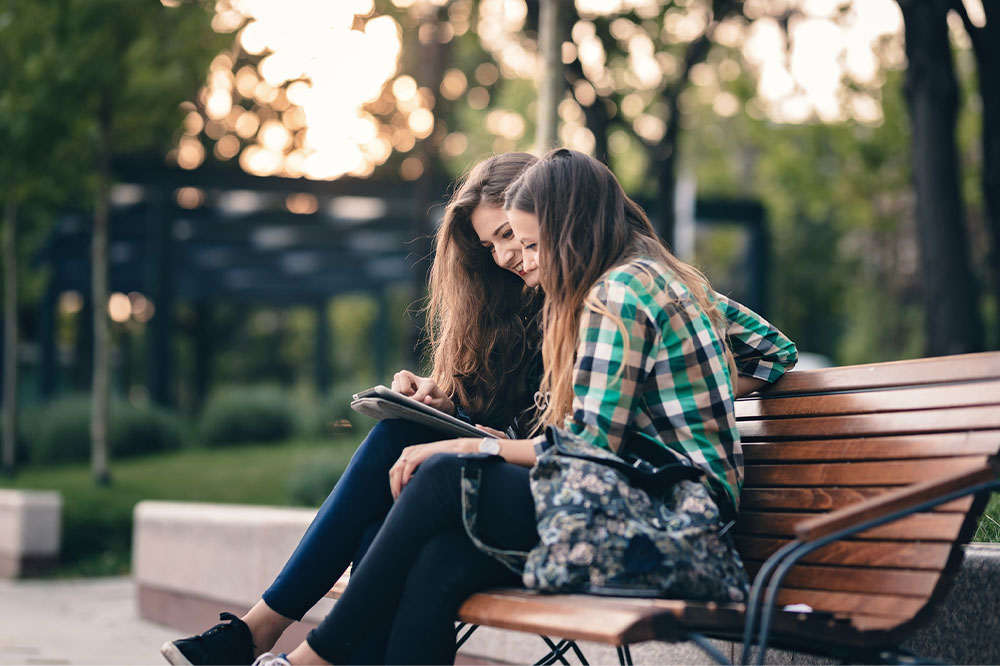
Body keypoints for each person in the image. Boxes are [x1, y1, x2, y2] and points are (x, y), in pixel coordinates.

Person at [248, 148, 797, 666]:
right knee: (438, 558)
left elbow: (586, 447)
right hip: (646, 503)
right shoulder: (640, 279)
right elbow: (595, 441)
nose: (520, 261)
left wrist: (471, 445)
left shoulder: (619, 292)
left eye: (529, 243)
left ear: (570, 227)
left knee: (440, 477)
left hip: (671, 522)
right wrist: (674, 389)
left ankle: (312, 659)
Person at [160, 152, 544, 666]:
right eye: (490, 244)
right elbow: (510, 412)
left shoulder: (586, 300)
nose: (503, 256)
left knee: (397, 449)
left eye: (509, 234)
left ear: (544, 210)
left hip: (550, 495)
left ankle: (259, 634)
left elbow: (574, 439)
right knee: (383, 499)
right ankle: (258, 635)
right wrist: (445, 401)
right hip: (506, 481)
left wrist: (485, 443)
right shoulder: (514, 301)